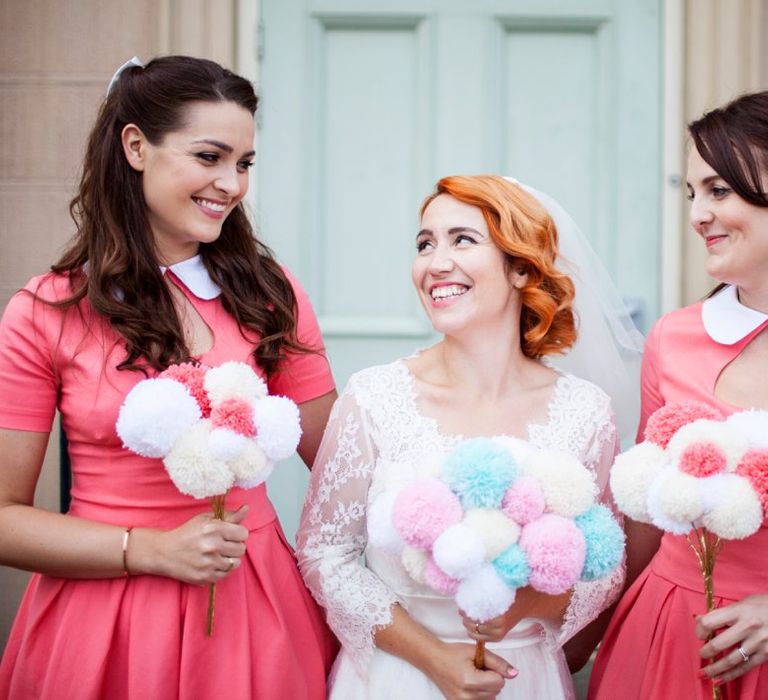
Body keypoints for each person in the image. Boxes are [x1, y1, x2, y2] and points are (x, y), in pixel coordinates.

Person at [0, 55, 338, 699]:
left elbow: (344, 462)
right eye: (209, 157)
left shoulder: (271, 296)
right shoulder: (42, 313)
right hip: (103, 623)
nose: (232, 184)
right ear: (135, 147)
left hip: (253, 609)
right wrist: (149, 550)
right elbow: (3, 517)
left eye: (244, 163)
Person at [296, 175, 642, 699]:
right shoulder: (374, 397)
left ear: (522, 266)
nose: (435, 262)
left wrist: (524, 608)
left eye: (462, 239)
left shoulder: (585, 411)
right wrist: (434, 659)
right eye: (424, 244)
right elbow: (326, 555)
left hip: (524, 677)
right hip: (397, 676)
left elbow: (604, 568)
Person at [588, 91, 768, 699]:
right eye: (693, 193)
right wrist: (576, 633)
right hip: (667, 634)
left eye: (719, 190)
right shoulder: (673, 337)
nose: (697, 214)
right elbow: (646, 518)